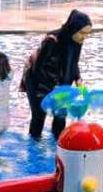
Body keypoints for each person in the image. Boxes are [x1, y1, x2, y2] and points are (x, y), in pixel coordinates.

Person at [22, 10, 93, 140]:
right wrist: (54, 86)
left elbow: (73, 63)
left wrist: (78, 80)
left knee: (60, 116)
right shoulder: (52, 40)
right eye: (82, 33)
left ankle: (58, 144)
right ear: (73, 28)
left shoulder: (77, 41)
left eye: (87, 34)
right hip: (37, 82)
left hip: (59, 84)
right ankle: (34, 146)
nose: (84, 37)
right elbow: (38, 67)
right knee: (39, 116)